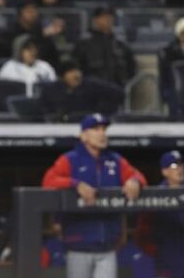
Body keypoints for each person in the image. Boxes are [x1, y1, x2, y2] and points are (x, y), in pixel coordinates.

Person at [42, 114, 147, 278]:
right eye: (96, 129)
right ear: (83, 135)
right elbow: (49, 181)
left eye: (104, 129)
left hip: (108, 245)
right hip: (78, 243)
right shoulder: (70, 159)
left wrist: (134, 181)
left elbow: (138, 176)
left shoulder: (114, 160)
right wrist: (75, 184)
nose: (102, 133)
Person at [136, 151, 184, 278]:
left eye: (182, 165)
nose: (180, 169)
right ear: (164, 171)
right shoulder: (156, 197)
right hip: (165, 260)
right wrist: (155, 251)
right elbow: (142, 231)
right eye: (174, 166)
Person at [39, 62, 124, 122]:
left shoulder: (92, 85)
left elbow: (119, 94)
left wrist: (100, 112)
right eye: (70, 72)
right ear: (63, 76)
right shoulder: (52, 90)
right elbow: (45, 110)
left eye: (77, 71)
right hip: (60, 126)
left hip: (89, 124)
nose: (76, 75)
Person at [73, 7, 136, 87]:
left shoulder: (121, 43)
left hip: (117, 89)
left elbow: (131, 67)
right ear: (95, 19)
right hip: (92, 90)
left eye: (109, 17)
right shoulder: (84, 42)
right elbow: (76, 68)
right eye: (103, 17)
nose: (107, 20)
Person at [0, 1, 62, 69]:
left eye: (34, 10)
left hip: (39, 67)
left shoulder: (42, 33)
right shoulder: (10, 33)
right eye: (29, 11)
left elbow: (52, 57)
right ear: (20, 14)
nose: (33, 14)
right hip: (16, 67)